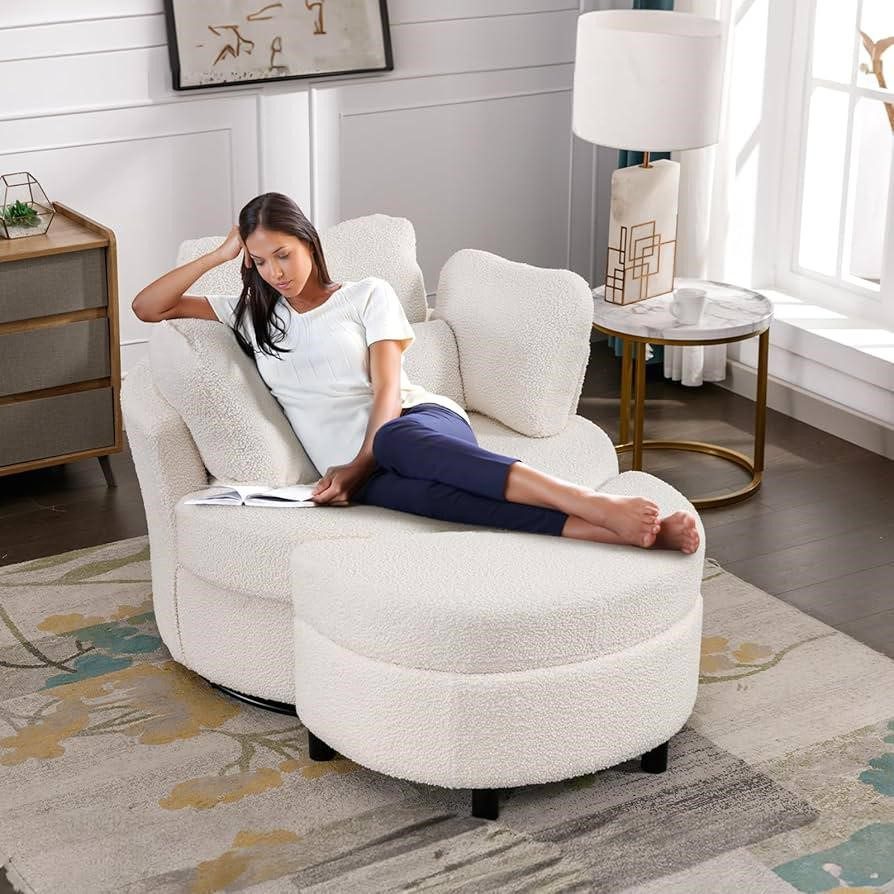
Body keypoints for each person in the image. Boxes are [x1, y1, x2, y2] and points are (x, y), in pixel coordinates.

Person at [132, 192, 700, 553]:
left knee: (402, 439)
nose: (274, 271)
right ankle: (630, 535)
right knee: (440, 502)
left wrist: (357, 463)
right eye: (259, 261)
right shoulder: (251, 315)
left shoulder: (363, 296)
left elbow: (386, 393)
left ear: (308, 242)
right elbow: (148, 307)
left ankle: (595, 502)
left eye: (283, 253)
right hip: (362, 473)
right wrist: (217, 257)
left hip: (415, 425)